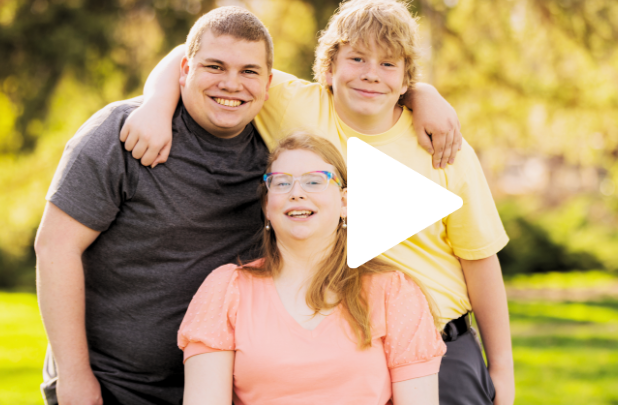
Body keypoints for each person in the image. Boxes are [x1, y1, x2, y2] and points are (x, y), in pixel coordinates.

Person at [36, 5, 458, 404]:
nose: (231, 84)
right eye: (215, 68)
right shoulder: (128, 134)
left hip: (220, 381)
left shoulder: (273, 145)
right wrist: (74, 374)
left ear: (269, 80)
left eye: (249, 72)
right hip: (109, 383)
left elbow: (363, 88)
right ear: (186, 70)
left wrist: (421, 93)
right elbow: (55, 247)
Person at [124, 1, 515, 404]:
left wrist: (501, 366)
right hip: (346, 339)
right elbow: (191, 55)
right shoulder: (295, 104)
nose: (369, 74)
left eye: (387, 65)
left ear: (405, 81)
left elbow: (479, 258)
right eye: (357, 58)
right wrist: (155, 104)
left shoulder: (443, 147)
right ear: (328, 69)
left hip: (436, 341)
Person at [179, 132, 446, 405]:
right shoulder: (225, 290)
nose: (297, 193)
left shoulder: (394, 292)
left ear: (345, 203)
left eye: (314, 181)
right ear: (267, 207)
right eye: (281, 183)